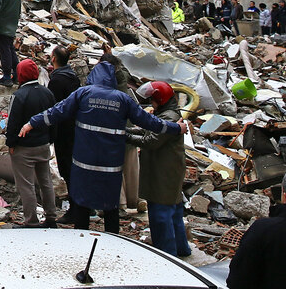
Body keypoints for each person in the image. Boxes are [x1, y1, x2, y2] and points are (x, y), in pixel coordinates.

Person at [19, 55, 184, 233]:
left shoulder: (83, 94)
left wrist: (31, 123)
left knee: (82, 204)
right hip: (110, 166)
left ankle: (81, 238)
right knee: (110, 206)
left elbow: (56, 112)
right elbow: (150, 122)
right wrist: (176, 128)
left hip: (84, 163)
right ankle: (111, 240)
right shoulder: (123, 99)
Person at [128, 80, 191, 257]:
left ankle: (167, 255)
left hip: (163, 171)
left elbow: (151, 141)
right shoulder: (167, 114)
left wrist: (126, 136)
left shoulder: (168, 117)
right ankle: (181, 249)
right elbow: (150, 130)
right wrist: (132, 131)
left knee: (160, 214)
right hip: (169, 168)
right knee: (174, 212)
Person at [7, 58, 58, 228]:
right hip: (43, 144)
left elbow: (13, 122)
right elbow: (53, 118)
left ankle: (31, 220)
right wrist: (51, 139)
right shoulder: (47, 93)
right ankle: (51, 217)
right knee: (46, 182)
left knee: (26, 184)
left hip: (24, 147)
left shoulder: (19, 95)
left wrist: (11, 143)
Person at [46, 45, 79, 217]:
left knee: (66, 168)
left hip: (63, 130)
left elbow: (53, 108)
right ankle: (82, 205)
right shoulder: (73, 77)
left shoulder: (57, 81)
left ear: (53, 59)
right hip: (74, 128)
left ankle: (75, 209)